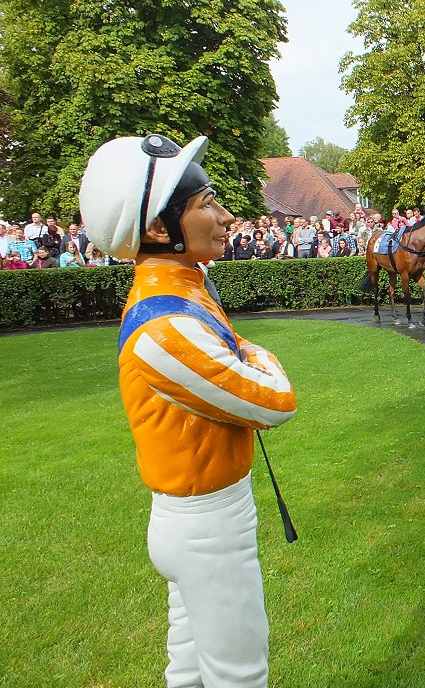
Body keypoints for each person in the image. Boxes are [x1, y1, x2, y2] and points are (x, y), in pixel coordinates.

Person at [78, 133, 297, 688]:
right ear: (156, 229)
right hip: (206, 523)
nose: (225, 217)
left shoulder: (187, 288)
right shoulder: (165, 326)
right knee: (239, 675)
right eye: (206, 204)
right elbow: (275, 402)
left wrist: (245, 355)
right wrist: (261, 355)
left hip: (200, 514)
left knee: (191, 670)